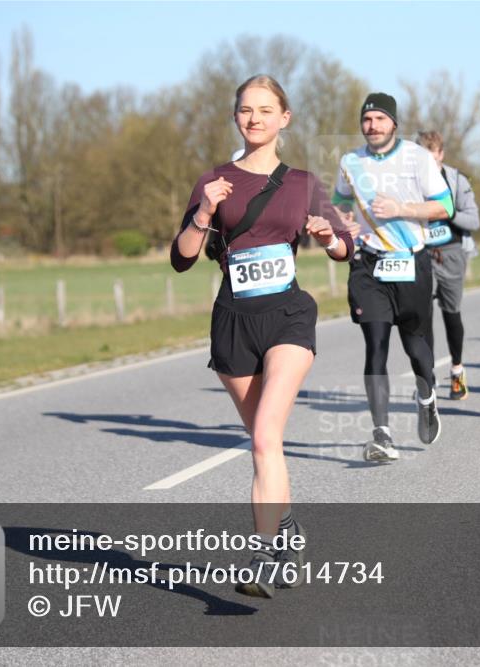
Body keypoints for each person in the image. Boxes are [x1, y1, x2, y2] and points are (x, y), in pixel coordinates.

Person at [170, 75, 354, 598]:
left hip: (288, 317)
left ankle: (266, 555)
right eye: (246, 110)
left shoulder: (302, 183)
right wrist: (205, 212)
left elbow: (344, 246)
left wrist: (329, 239)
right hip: (232, 323)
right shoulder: (213, 180)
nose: (255, 119)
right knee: (263, 444)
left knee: (267, 436)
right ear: (236, 117)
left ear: (284, 118)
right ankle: (288, 531)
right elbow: (181, 258)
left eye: (265, 110)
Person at [333, 92, 453, 461]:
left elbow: (445, 205)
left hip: (410, 260)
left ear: (394, 124)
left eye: (380, 120)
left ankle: (427, 396)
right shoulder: (350, 162)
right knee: (376, 345)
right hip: (368, 265)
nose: (372, 126)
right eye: (367, 120)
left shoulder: (416, 157)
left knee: (416, 347)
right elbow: (339, 202)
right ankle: (382, 434)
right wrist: (344, 220)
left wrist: (402, 208)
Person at [415, 130, 480, 400]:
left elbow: (474, 221)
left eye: (431, 157)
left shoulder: (456, 180)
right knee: (421, 315)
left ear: (441, 154)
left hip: (452, 252)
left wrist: (447, 211)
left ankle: (456, 370)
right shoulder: (410, 182)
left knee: (451, 313)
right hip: (421, 254)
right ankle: (427, 377)